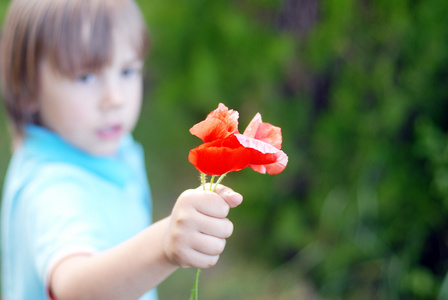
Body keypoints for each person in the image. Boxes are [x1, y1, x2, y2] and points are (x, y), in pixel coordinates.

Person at [0, 0, 243, 299]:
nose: (114, 98)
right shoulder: (51, 187)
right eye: (85, 76)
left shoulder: (106, 147)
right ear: (28, 90)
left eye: (127, 71)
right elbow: (72, 287)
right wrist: (163, 245)